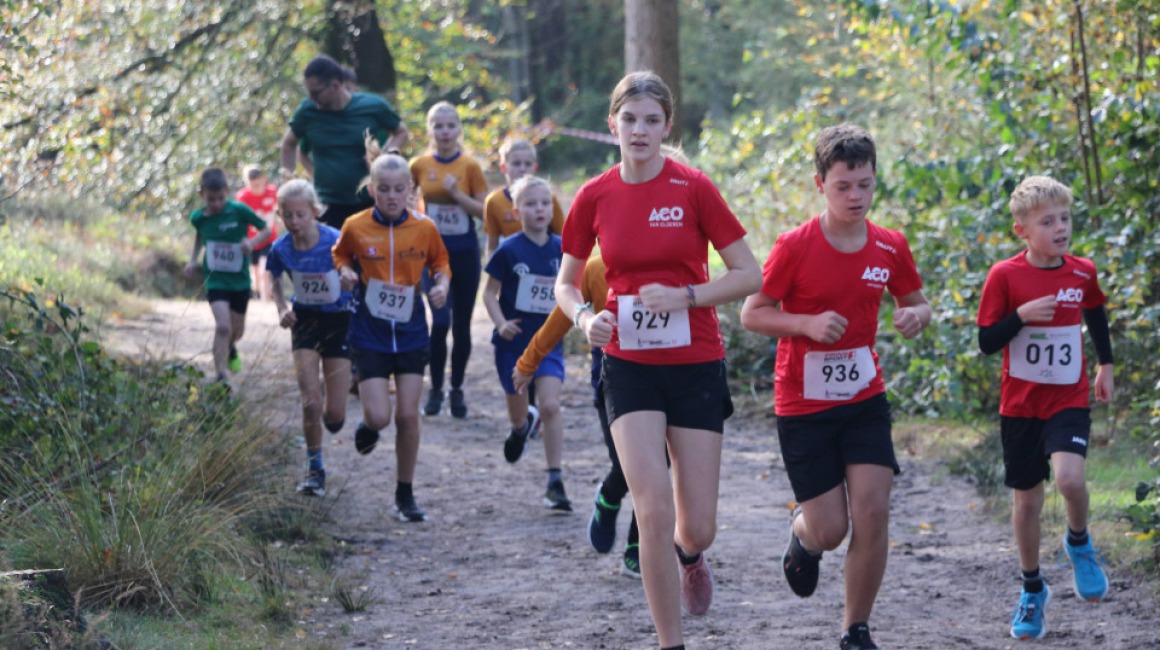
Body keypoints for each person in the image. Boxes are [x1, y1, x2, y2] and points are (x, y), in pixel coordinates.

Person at [555, 71, 762, 650]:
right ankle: (671, 642)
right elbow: (565, 284)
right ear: (612, 124)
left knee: (696, 526)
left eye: (651, 120)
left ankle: (690, 556)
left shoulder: (693, 188)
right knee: (651, 509)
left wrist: (687, 296)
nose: (640, 130)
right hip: (627, 363)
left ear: (667, 126)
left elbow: (750, 274)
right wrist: (584, 319)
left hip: (694, 362)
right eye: (630, 119)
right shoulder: (594, 196)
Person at [739, 123, 931, 650]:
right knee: (831, 530)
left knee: (874, 510)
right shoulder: (795, 246)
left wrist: (915, 316)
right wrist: (804, 323)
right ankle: (803, 534)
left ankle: (855, 629)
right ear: (820, 184)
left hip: (864, 399)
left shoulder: (889, 245)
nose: (855, 196)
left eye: (865, 185)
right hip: (803, 404)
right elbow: (753, 313)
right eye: (843, 186)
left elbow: (917, 303)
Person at [976, 175, 1113, 640]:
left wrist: (1106, 365)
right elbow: (986, 341)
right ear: (1022, 231)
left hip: (1067, 397)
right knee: (1028, 501)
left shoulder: (1082, 271)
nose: (1061, 228)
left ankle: (1079, 542)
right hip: (1020, 406)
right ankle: (1033, 588)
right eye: (1048, 222)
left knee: (1070, 479)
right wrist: (1020, 316)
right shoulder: (1004, 275)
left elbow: (1094, 311)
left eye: (1065, 219)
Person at [332, 139, 451, 522]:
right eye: (384, 189)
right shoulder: (355, 225)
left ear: (410, 190)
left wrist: (441, 285)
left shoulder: (424, 227)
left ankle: (405, 493)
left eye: (400, 189)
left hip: (412, 329)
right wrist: (345, 271)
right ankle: (369, 426)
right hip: (370, 331)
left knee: (407, 415)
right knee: (381, 416)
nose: (392, 196)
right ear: (372, 190)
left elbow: (441, 263)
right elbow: (340, 253)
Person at [514, 253, 647, 575]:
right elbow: (561, 317)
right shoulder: (597, 269)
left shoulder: (676, 262)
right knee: (629, 466)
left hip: (670, 378)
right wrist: (529, 362)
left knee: (657, 467)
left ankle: (638, 545)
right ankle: (608, 497)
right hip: (613, 380)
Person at [481, 175, 570, 511]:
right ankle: (520, 428)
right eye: (531, 204)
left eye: (545, 203)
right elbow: (489, 294)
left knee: (550, 406)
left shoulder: (562, 249)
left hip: (548, 342)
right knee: (519, 410)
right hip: (514, 343)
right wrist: (501, 323)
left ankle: (555, 481)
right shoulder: (508, 250)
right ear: (517, 212)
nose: (539, 209)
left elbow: (572, 290)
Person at [266, 179, 354, 497]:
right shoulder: (281, 248)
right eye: (287, 215)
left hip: (338, 319)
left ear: (314, 212)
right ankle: (315, 469)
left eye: (300, 215)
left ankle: (334, 409)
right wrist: (281, 308)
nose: (294, 222)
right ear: (280, 215)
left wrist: (349, 277)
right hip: (304, 321)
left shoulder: (335, 240)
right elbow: (273, 275)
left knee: (335, 415)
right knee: (310, 402)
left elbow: (353, 268)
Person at [410, 101, 489, 418]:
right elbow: (406, 203)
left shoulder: (469, 166)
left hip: (465, 251)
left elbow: (485, 211)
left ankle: (456, 389)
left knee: (461, 325)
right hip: (431, 254)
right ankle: (435, 389)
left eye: (450, 126)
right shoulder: (419, 165)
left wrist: (457, 195)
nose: (445, 132)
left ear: (459, 130)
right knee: (440, 321)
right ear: (430, 130)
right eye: (438, 126)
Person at [280, 54, 409, 230]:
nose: (311, 98)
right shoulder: (307, 112)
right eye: (308, 93)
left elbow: (401, 132)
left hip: (370, 202)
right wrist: (289, 184)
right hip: (327, 205)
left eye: (315, 93)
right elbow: (289, 144)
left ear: (335, 86)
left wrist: (384, 156)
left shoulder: (373, 106)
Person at [182, 167, 271, 389]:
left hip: (239, 281)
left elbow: (266, 230)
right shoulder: (198, 218)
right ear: (202, 195)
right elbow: (200, 236)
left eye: (220, 198)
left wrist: (251, 243)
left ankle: (230, 347)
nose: (216, 204)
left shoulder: (239, 210)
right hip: (215, 279)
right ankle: (220, 376)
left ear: (227, 192)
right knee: (223, 327)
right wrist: (193, 260)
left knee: (236, 331)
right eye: (211, 199)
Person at [482, 138, 565, 261]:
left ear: (535, 167)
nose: (522, 169)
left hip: (545, 262)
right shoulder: (493, 201)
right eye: (516, 164)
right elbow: (492, 246)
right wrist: (493, 266)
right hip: (512, 263)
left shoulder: (548, 197)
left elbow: (563, 238)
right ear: (503, 167)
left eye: (527, 164)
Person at [235, 164, 279, 302]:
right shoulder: (243, 197)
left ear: (264, 179)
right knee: (255, 276)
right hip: (252, 241)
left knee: (264, 270)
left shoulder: (273, 192)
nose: (256, 188)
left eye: (258, 184)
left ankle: (265, 302)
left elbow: (280, 209)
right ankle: (260, 295)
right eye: (252, 185)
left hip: (269, 238)